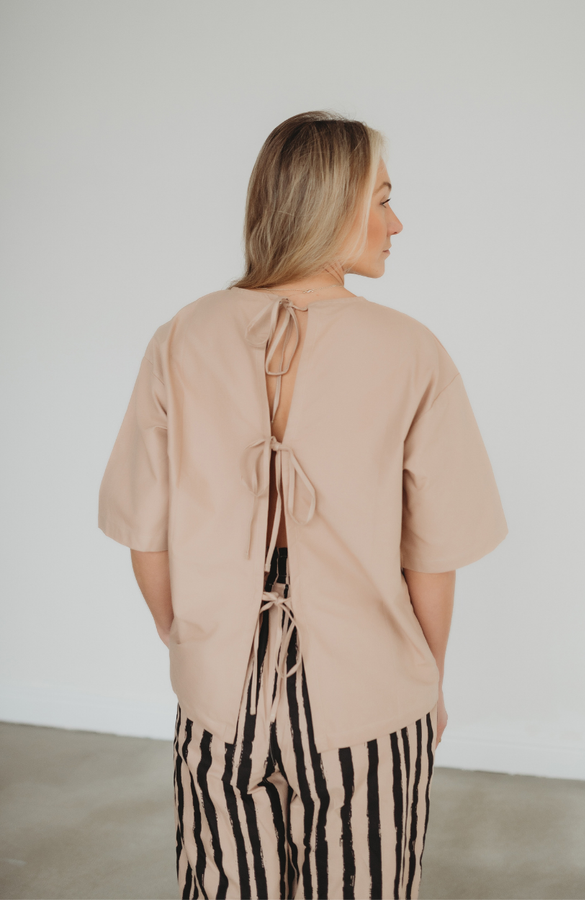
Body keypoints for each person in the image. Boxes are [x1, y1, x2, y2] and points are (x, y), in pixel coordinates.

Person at [98, 110, 508, 900]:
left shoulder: (181, 337)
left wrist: (189, 641)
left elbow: (142, 534)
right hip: (368, 702)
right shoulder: (412, 351)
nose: (397, 223)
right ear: (331, 204)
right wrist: (429, 678)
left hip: (218, 700)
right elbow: (433, 554)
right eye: (382, 200)